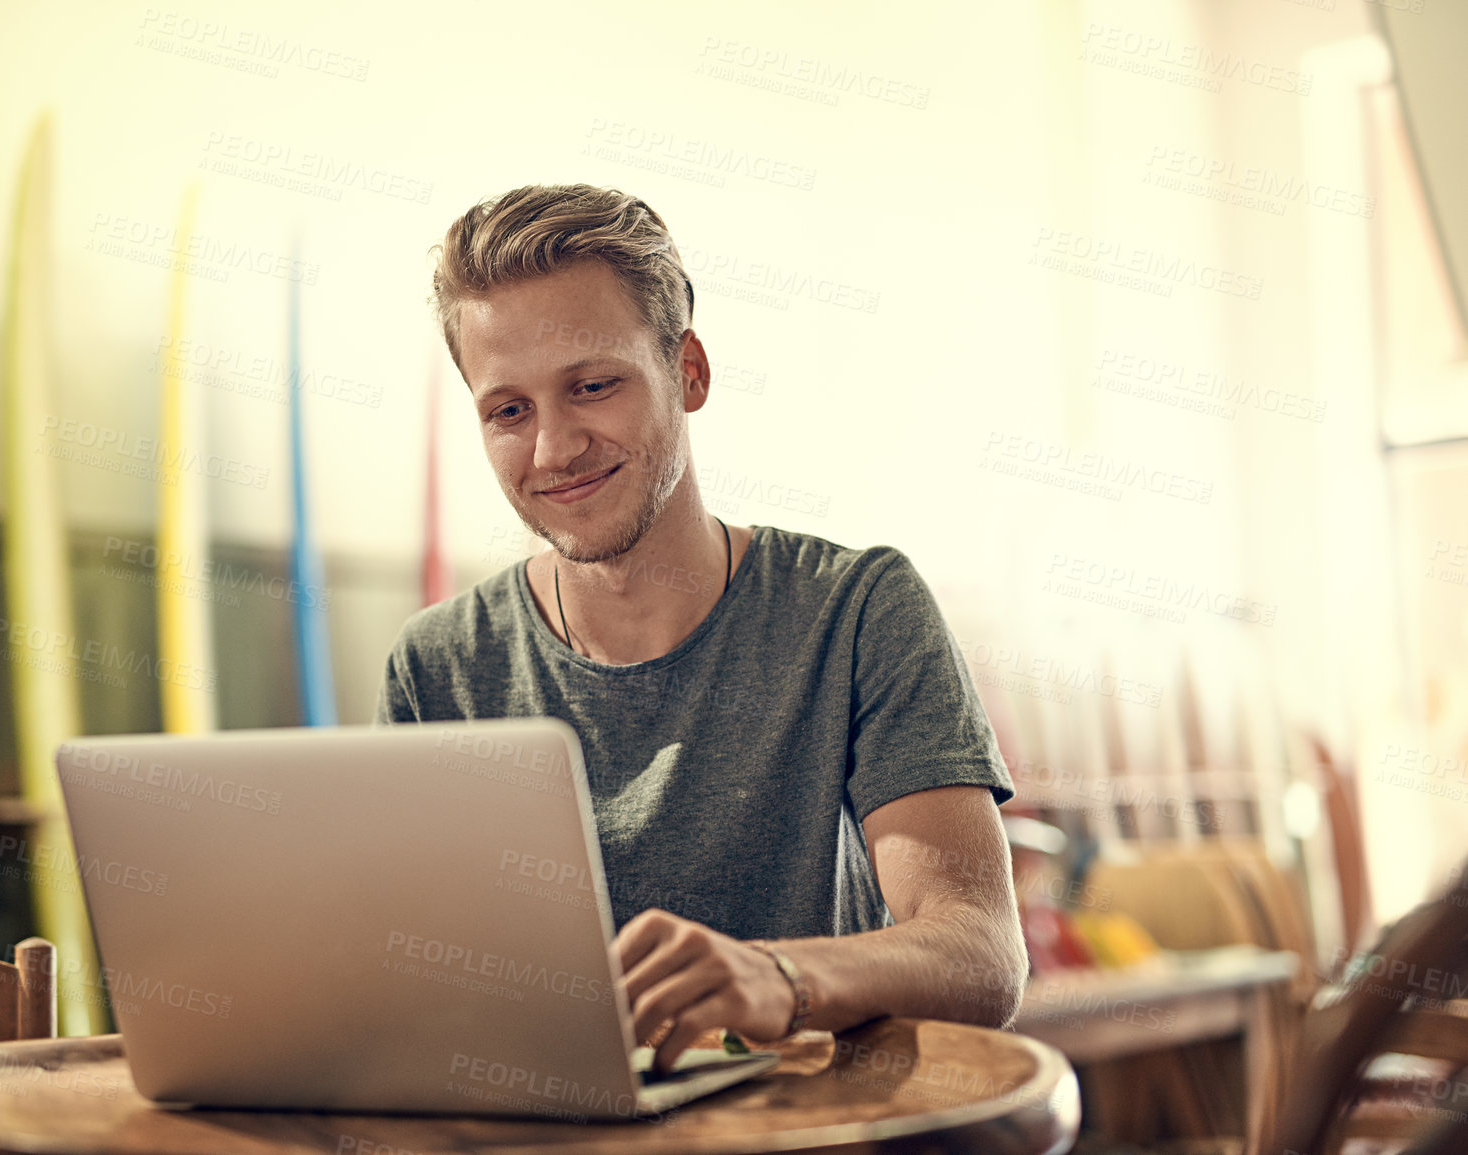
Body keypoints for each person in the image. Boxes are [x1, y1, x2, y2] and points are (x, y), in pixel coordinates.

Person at [374, 183, 1027, 1074]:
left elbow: (979, 952)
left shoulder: (858, 609)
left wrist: (778, 976)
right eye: (508, 411)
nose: (552, 449)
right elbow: (416, 982)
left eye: (592, 386)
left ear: (689, 372)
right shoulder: (439, 667)